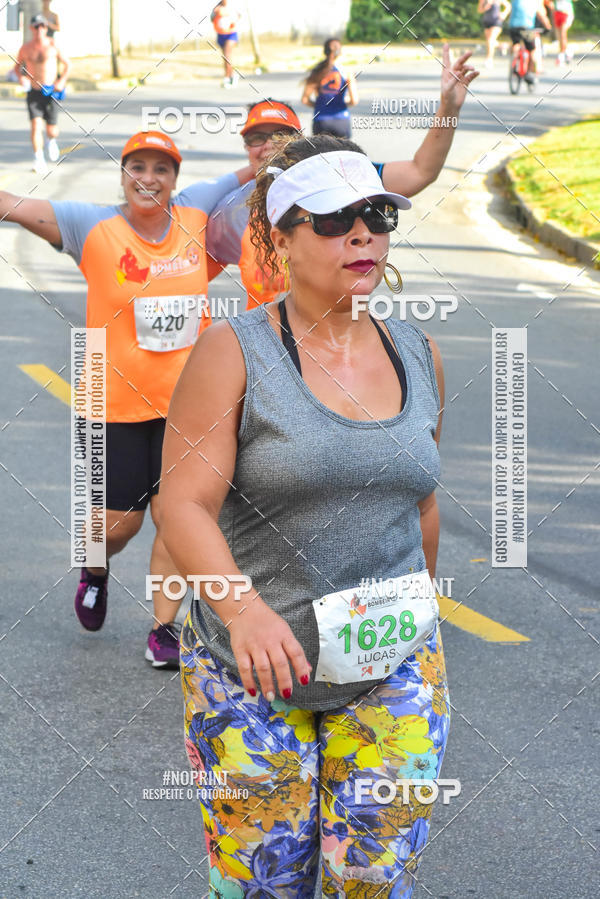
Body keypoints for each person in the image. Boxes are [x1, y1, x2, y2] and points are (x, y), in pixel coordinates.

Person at [160, 133, 450, 895]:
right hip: (251, 671)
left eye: (377, 215)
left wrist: (422, 605)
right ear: (281, 238)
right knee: (266, 881)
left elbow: (419, 498)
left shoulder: (417, 350)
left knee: (373, 878)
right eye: (332, 219)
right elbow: (182, 503)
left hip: (392, 662)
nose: (362, 234)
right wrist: (243, 610)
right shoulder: (234, 351)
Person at [0, 130, 253, 667]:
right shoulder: (89, 225)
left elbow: (253, 169)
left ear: (175, 179)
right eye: (137, 167)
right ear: (123, 175)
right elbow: (11, 205)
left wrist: (281, 151)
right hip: (110, 400)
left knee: (179, 517)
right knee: (115, 526)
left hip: (189, 403)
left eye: (162, 169)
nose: (149, 179)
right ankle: (95, 569)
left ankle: (165, 628)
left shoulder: (195, 209)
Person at [206, 45, 479, 309]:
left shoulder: (337, 177)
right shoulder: (229, 210)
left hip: (340, 335)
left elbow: (420, 171)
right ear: (246, 147)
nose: (268, 145)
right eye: (256, 138)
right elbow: (190, 272)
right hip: (263, 339)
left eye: (280, 135)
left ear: (298, 139)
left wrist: (449, 108)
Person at [14, 14, 70, 175]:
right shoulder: (25, 48)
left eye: (43, 26)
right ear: (31, 28)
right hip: (34, 92)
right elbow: (17, 67)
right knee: (35, 125)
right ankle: (38, 159)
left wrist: (62, 81)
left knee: (52, 129)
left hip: (51, 91)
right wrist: (21, 78)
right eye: (36, 26)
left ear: (46, 28)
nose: (40, 29)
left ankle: (51, 140)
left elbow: (68, 65)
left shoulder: (53, 45)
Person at [301, 37, 358, 137]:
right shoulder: (346, 72)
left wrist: (320, 105)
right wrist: (342, 104)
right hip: (341, 120)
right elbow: (354, 101)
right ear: (340, 52)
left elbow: (305, 100)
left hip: (321, 121)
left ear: (325, 52)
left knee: (321, 147)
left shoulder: (317, 72)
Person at [508, 0, 552, 82]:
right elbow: (542, 16)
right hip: (527, 27)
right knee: (532, 50)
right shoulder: (534, 2)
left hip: (513, 27)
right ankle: (529, 73)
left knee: (515, 43)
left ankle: (514, 59)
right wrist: (548, 27)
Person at [210, 0, 241, 88]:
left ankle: (227, 78)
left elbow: (239, 16)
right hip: (221, 34)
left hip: (231, 34)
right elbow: (212, 19)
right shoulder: (217, 8)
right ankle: (231, 76)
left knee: (227, 55)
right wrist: (215, 13)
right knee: (226, 57)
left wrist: (232, 18)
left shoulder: (232, 6)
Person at [478, 0, 511, 67]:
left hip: (496, 21)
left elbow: (508, 6)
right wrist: (485, 8)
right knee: (489, 42)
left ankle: (489, 59)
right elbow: (479, 10)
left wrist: (504, 14)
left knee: (490, 40)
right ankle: (503, 46)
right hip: (487, 22)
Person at [554, 0, 575, 65]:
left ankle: (561, 56)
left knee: (563, 34)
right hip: (558, 12)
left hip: (567, 13)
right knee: (559, 37)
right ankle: (568, 52)